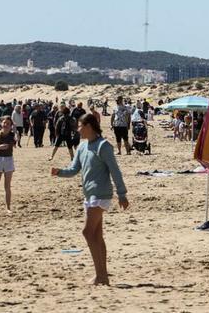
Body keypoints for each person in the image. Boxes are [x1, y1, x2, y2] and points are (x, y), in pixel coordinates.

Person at [51, 113, 128, 286]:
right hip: (89, 195)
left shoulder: (104, 146)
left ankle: (101, 275)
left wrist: (122, 194)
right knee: (97, 236)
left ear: (88, 126)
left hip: (101, 195)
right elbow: (74, 169)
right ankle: (102, 275)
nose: (77, 129)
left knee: (87, 232)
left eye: (79, 126)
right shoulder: (82, 147)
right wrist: (59, 172)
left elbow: (115, 171)